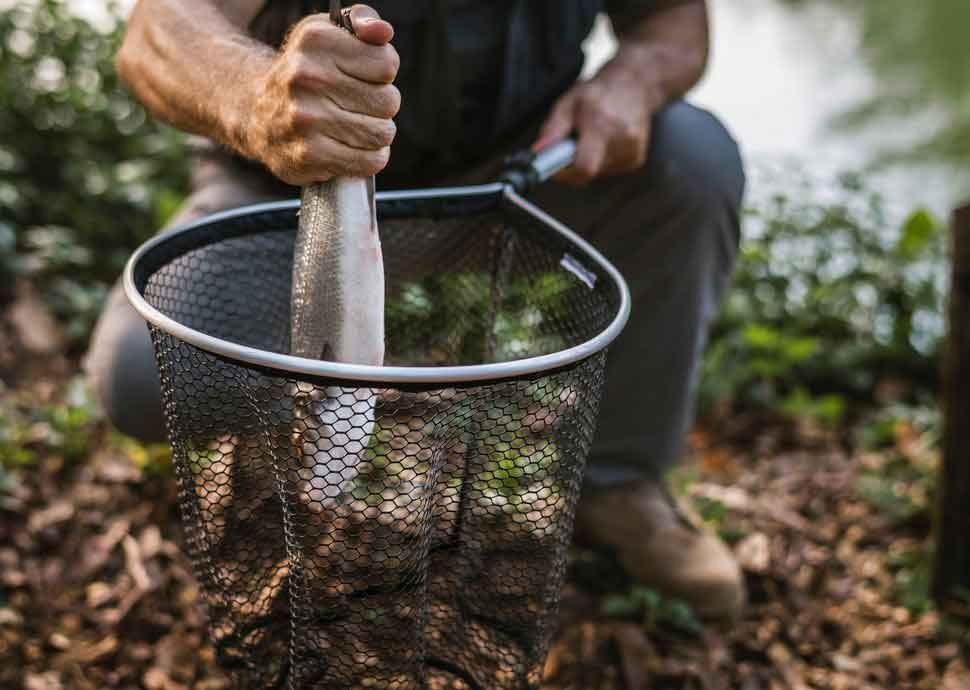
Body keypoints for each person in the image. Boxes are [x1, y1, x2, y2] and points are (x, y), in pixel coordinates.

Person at [87, 0, 746, 620]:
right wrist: (260, 97)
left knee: (693, 160)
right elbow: (154, 33)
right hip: (294, 186)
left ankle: (621, 487)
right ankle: (270, 441)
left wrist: (632, 80)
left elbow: (675, 22)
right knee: (144, 374)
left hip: (528, 173)